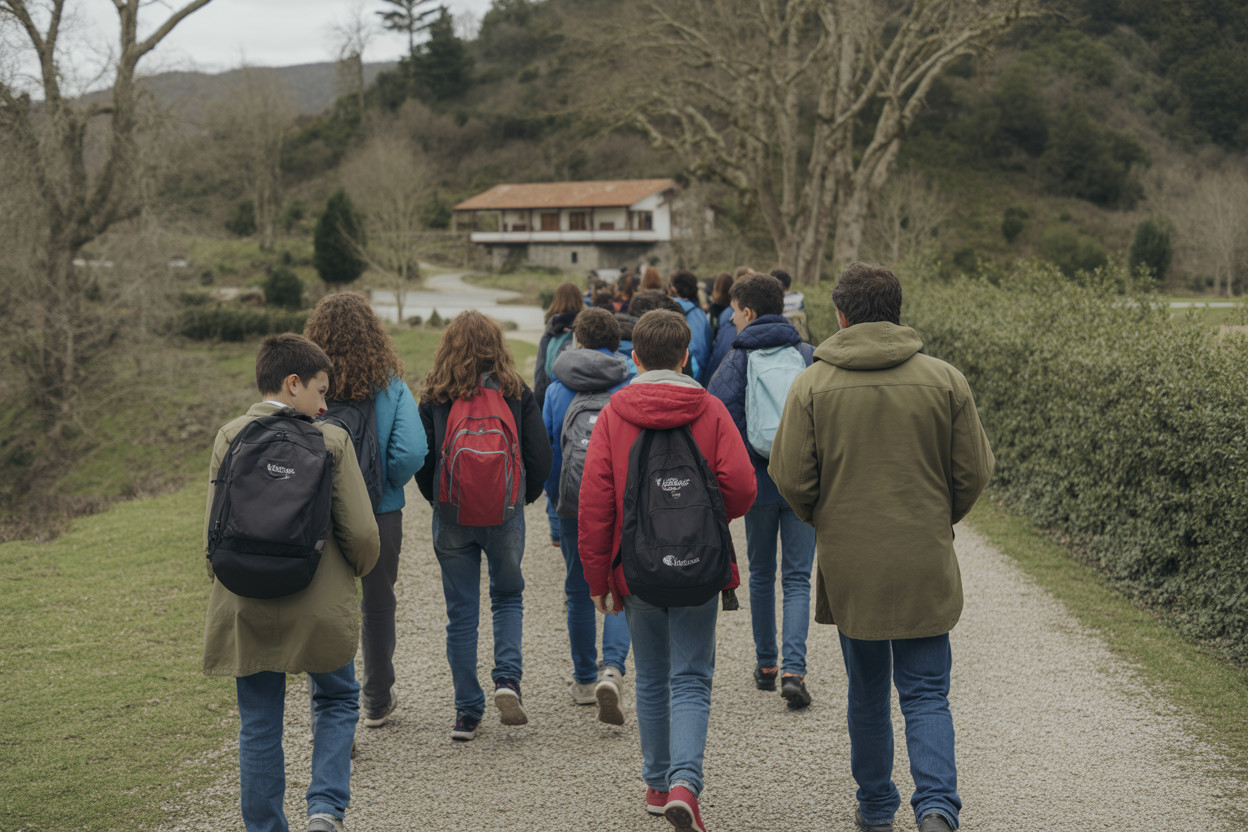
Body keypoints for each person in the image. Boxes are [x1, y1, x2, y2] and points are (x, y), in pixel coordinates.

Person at [769, 263, 995, 832]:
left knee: (867, 693)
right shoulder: (945, 380)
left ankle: (875, 809)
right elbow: (974, 472)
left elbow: (792, 477)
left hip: (852, 565)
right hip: (922, 559)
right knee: (925, 693)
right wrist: (937, 519)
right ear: (896, 311)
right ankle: (938, 808)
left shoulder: (813, 384)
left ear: (841, 317)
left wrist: (827, 521)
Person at [580, 310, 756, 832]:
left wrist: (597, 581)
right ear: (686, 357)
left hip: (636, 570)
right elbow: (743, 487)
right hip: (700, 568)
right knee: (692, 679)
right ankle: (685, 783)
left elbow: (596, 504)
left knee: (652, 677)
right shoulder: (710, 410)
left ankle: (657, 786)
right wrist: (703, 517)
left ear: (634, 357)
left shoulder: (615, 414)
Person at [202, 333, 380, 832]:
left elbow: (211, 533)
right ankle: (324, 812)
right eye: (320, 392)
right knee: (338, 698)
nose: (324, 405)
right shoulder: (332, 440)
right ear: (293, 382)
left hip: (245, 598)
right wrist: (356, 573)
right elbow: (362, 534)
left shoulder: (228, 435)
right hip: (318, 604)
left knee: (258, 721)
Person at [415, 311, 552, 742]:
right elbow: (541, 455)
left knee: (461, 616)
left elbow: (421, 459)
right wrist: (521, 499)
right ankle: (507, 681)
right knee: (508, 597)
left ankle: (466, 713)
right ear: (498, 345)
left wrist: (438, 499)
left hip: (452, 516)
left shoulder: (436, 395)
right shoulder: (515, 391)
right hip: (504, 513)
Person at [304, 292, 427, 729]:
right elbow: (412, 450)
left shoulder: (307, 386)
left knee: (324, 606)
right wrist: (383, 479)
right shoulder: (389, 383)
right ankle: (376, 698)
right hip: (380, 512)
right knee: (377, 603)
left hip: (318, 511)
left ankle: (330, 706)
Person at [706, 273, 816, 707]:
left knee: (761, 573)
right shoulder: (807, 355)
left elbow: (718, 421)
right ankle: (794, 668)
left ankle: (766, 663)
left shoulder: (737, 361)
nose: (732, 319)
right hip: (801, 483)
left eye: (734, 311)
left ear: (749, 312)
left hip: (757, 484)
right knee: (797, 577)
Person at [542, 307, 635, 722]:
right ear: (616, 343)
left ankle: (582, 679)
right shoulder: (629, 384)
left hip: (573, 502)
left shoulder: (556, 388)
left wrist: (554, 503)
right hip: (621, 501)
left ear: (576, 341)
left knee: (578, 589)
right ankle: (612, 668)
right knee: (623, 585)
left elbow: (546, 454)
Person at [536, 282, 585, 547]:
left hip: (553, 398)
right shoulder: (586, 325)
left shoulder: (550, 329)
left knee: (555, 464)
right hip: (579, 399)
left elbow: (540, 372)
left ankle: (557, 532)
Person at [667, 269, 712, 383]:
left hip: (680, 379)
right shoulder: (701, 313)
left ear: (674, 288)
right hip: (700, 379)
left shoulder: (668, 309)